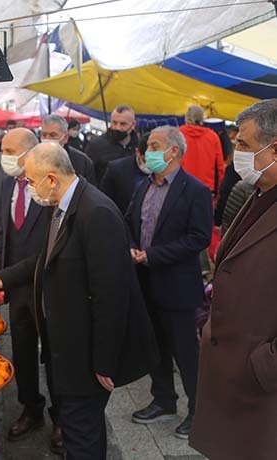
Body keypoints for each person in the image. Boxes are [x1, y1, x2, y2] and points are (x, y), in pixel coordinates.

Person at [0, 142, 156, 459]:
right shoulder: (65, 206)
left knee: (82, 432)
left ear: (52, 179)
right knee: (77, 428)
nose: (28, 188)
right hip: (66, 346)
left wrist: (105, 362)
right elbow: (44, 259)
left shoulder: (96, 213)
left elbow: (112, 294)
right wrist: (0, 278)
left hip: (86, 356)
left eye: (30, 181)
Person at [190, 100, 277, 460]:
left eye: (243, 145)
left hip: (260, 384)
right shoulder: (257, 192)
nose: (234, 154)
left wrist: (265, 366)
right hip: (233, 371)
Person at [125, 126, 213, 440]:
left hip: (176, 286)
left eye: (153, 145)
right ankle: (163, 399)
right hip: (146, 283)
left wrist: (153, 255)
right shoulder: (143, 186)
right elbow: (130, 221)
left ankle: (198, 411)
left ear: (172, 151)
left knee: (186, 353)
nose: (147, 151)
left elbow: (199, 238)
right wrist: (132, 247)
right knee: (155, 348)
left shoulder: (195, 191)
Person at [0, 128, 63, 452]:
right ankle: (30, 407)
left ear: (28, 153)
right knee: (21, 350)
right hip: (16, 287)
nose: (2, 155)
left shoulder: (49, 185)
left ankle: (62, 418)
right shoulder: (7, 183)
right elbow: (3, 234)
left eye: (8, 149)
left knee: (55, 353)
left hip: (48, 286)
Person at [179, 105, 226, 196]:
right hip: (207, 190)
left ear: (186, 118)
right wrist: (217, 192)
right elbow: (219, 167)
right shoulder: (213, 137)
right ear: (202, 119)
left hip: (182, 189)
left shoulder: (177, 135)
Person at [99, 133, 151, 215]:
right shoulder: (116, 169)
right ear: (137, 152)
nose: (150, 165)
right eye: (146, 160)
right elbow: (104, 201)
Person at [85, 105, 138, 183]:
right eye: (114, 122)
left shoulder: (139, 146)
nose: (117, 127)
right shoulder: (95, 146)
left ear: (133, 124)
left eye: (123, 124)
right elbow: (86, 176)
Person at [40, 114, 96, 184]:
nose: (47, 138)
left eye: (53, 135)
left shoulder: (83, 162)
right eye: (44, 135)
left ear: (65, 137)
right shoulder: (33, 158)